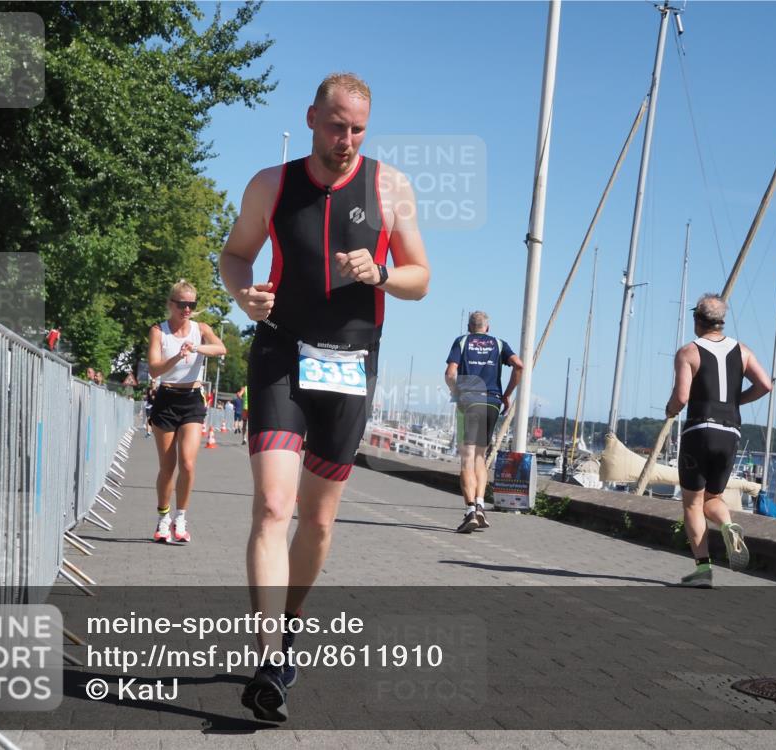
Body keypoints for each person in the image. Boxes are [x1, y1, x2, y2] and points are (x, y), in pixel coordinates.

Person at [219, 72, 430, 722]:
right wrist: (242, 293)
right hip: (282, 350)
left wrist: (385, 273)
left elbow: (421, 278)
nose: (346, 139)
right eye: (336, 125)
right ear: (311, 117)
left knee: (316, 520)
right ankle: (270, 656)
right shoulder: (270, 184)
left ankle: (293, 613)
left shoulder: (390, 187)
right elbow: (234, 256)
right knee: (273, 507)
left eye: (358, 129)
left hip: (351, 361)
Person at [665, 293, 771, 587]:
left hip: (700, 430)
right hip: (730, 432)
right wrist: (736, 402)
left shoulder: (688, 352)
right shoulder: (743, 351)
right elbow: (765, 385)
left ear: (698, 320)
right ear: (721, 322)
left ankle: (702, 571)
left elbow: (682, 398)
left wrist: (670, 410)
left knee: (692, 504)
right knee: (714, 498)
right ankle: (727, 525)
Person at [146, 279, 227, 544]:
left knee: (189, 464)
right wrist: (177, 357)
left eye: (192, 304)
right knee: (167, 467)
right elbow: (154, 370)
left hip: (192, 398)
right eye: (182, 304)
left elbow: (220, 348)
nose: (187, 310)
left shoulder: (200, 329)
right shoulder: (159, 331)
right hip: (166, 398)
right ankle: (163, 518)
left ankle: (181, 517)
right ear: (171, 304)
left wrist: (197, 348)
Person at [444, 311, 523, 533]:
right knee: (480, 456)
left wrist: (456, 392)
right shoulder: (499, 344)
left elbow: (450, 373)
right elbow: (519, 365)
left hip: (470, 401)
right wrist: (506, 394)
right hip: (492, 402)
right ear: (487, 328)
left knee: (467, 458)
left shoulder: (462, 342)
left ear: (470, 327)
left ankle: (470, 510)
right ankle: (480, 504)